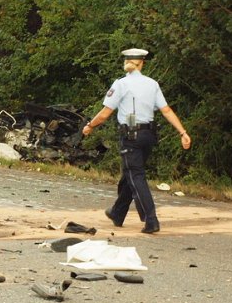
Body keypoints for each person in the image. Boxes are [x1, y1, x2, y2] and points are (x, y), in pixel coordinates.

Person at [82, 48, 191, 234]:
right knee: (130, 174)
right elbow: (166, 111)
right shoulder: (152, 84)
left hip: (130, 136)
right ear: (142, 63)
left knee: (136, 175)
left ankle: (151, 220)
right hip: (148, 135)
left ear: (126, 63)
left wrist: (90, 126)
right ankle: (117, 212)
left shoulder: (121, 84)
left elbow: (106, 113)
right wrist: (183, 132)